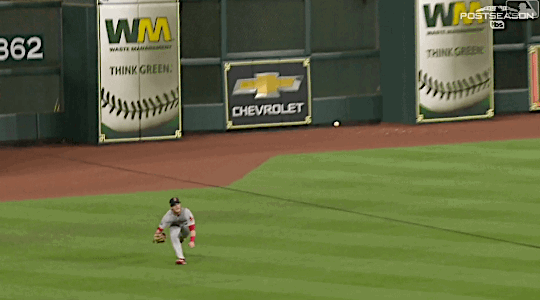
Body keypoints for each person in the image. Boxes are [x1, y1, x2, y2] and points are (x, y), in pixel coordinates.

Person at [154, 197, 196, 265]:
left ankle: (180, 240)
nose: (177, 206)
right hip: (174, 226)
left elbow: (192, 229)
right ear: (171, 207)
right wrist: (156, 235)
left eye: (178, 204)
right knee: (174, 236)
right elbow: (160, 229)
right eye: (174, 205)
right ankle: (181, 258)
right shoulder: (168, 216)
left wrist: (192, 241)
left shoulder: (186, 212)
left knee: (183, 234)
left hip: (185, 227)